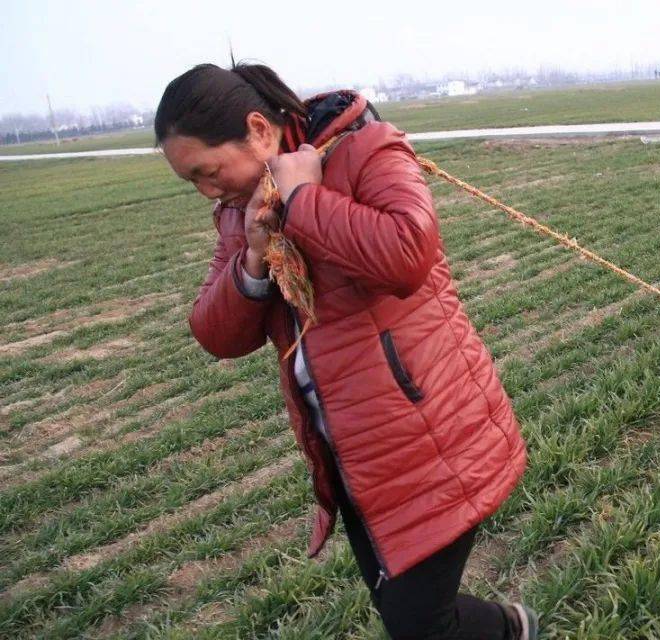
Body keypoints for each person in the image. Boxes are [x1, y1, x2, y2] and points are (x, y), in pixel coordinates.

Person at [155, 62, 537, 640]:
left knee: (420, 624)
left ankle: (512, 630)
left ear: (259, 129)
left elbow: (407, 254)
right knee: (405, 615)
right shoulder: (240, 214)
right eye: (193, 183)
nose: (208, 191)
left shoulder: (367, 151)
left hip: (421, 432)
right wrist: (253, 260)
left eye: (208, 172)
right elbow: (217, 334)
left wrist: (304, 196)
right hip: (348, 452)